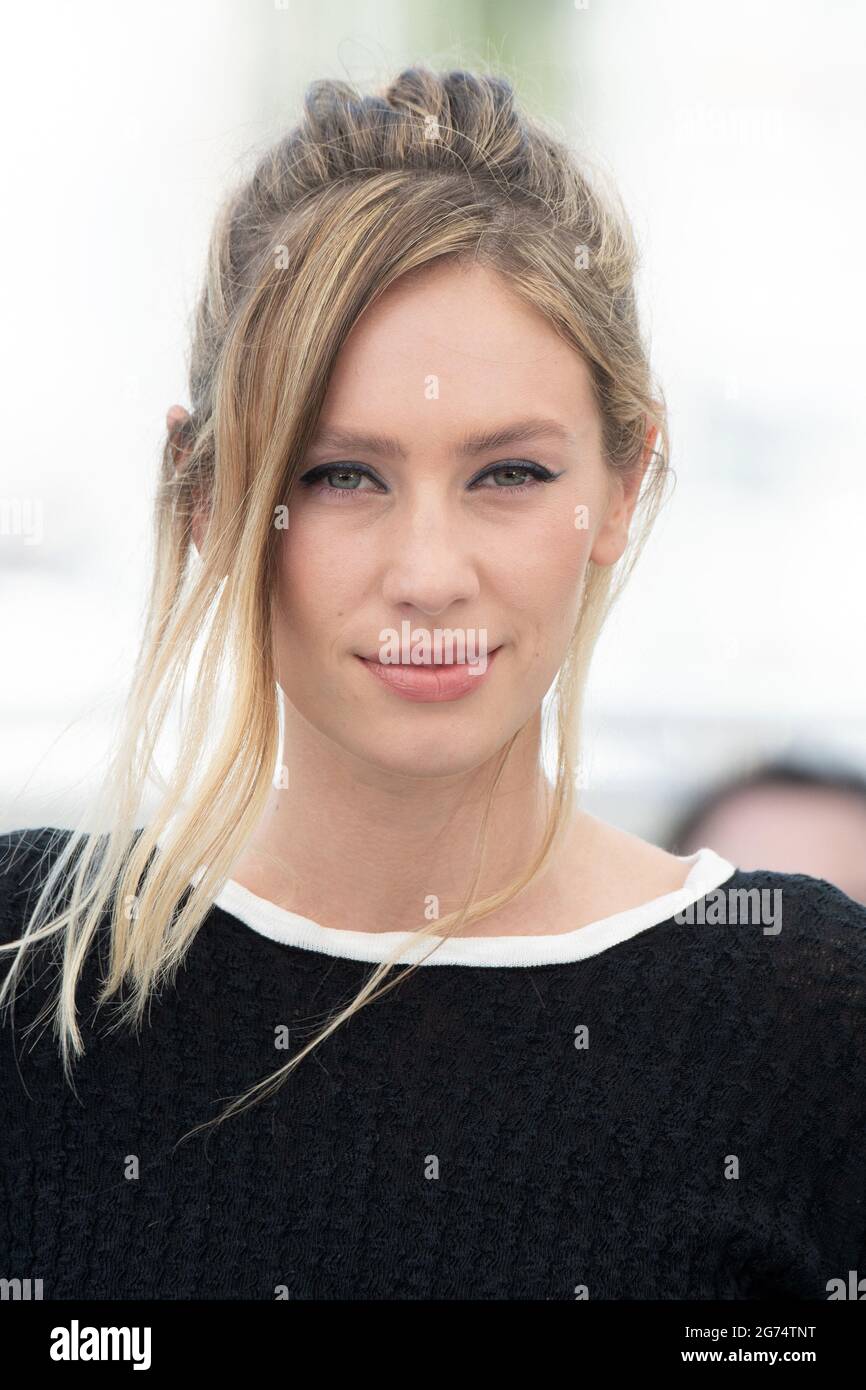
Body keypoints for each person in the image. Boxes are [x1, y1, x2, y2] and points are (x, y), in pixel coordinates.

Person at [1, 66, 864, 1301]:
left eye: (506, 473)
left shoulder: (809, 1019)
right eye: (342, 474)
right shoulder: (28, 968)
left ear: (622, 486)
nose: (426, 573)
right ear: (205, 495)